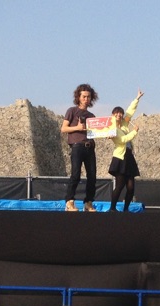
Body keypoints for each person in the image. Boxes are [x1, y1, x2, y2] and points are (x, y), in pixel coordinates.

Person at [61, 83, 99, 212]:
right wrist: (77, 127)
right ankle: (69, 201)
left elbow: (97, 132)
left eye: (88, 97)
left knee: (92, 177)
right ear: (78, 97)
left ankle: (88, 202)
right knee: (75, 175)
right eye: (84, 96)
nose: (86, 99)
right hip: (77, 146)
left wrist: (108, 134)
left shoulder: (92, 116)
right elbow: (63, 128)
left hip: (90, 147)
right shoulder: (71, 111)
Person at [107, 89, 144, 212]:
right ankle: (112, 208)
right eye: (116, 113)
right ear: (112, 115)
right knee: (120, 185)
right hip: (120, 157)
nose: (119, 115)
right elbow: (123, 140)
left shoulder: (124, 124)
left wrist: (137, 98)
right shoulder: (112, 129)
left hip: (129, 157)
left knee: (131, 187)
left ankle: (126, 209)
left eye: (120, 113)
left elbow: (130, 111)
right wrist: (134, 132)